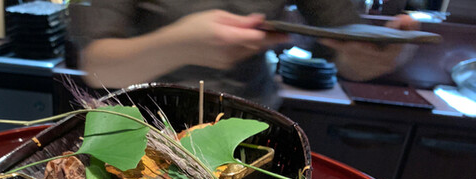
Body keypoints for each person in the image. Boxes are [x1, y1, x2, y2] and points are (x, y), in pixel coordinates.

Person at [68, 1, 418, 107]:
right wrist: (180, 44)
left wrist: (379, 56)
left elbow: (346, 52)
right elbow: (97, 67)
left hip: (252, 126)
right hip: (149, 126)